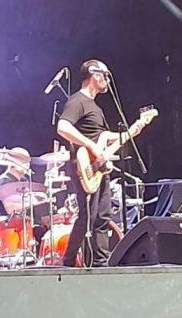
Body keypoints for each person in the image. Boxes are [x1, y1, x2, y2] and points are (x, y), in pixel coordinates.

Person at [56, 59, 133, 267]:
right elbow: (63, 127)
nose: (108, 80)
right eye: (105, 75)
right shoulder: (77, 101)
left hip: (98, 169)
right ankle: (68, 261)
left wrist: (134, 130)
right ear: (95, 74)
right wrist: (91, 146)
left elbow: (103, 136)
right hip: (84, 166)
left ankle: (101, 262)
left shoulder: (95, 107)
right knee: (87, 216)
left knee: (102, 215)